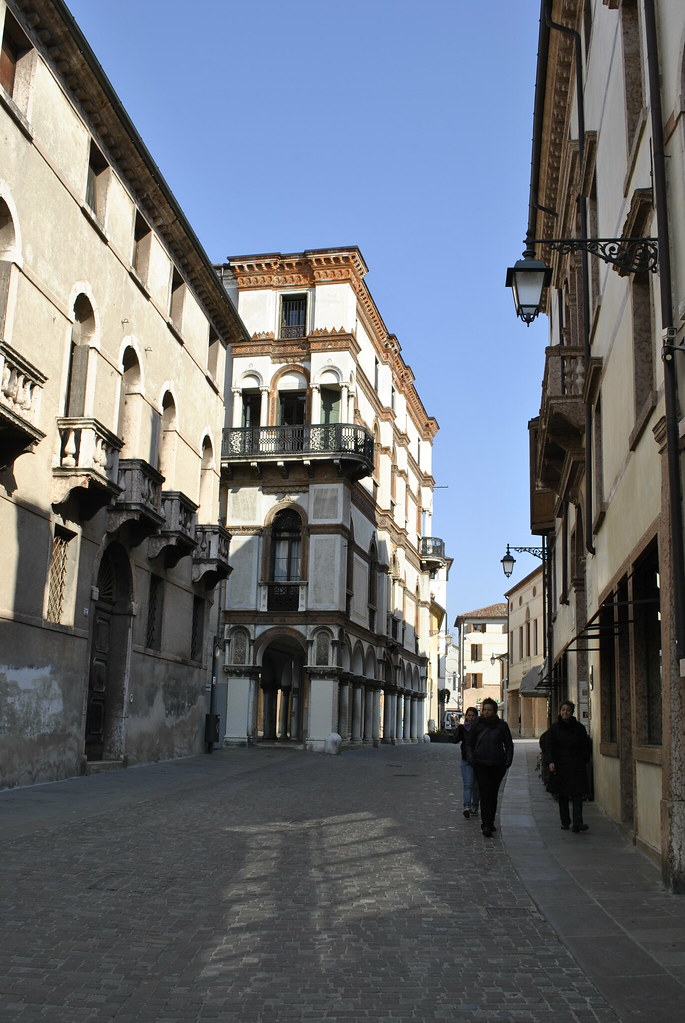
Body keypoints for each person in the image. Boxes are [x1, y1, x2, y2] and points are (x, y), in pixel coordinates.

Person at [540, 700, 592, 833]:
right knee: (562, 795)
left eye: (568, 710)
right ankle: (565, 821)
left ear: (572, 712)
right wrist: (550, 762)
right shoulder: (554, 729)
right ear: (560, 712)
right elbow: (548, 747)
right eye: (563, 710)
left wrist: (584, 759)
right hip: (560, 766)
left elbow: (586, 745)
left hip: (576, 766)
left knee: (577, 795)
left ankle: (578, 822)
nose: (565, 712)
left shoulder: (579, 728)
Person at [467, 698, 514, 838]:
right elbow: (469, 743)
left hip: (497, 764)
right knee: (484, 794)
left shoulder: (502, 726)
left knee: (493, 794)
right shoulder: (477, 725)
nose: (486, 712)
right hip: (481, 764)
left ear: (494, 711)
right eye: (484, 710)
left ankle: (490, 821)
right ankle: (486, 824)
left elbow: (509, 744)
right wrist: (471, 759)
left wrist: (507, 761)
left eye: (489, 710)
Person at [454, 707, 480, 819]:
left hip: (479, 760)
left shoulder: (480, 728)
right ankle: (466, 807)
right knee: (467, 784)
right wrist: (457, 729)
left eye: (473, 715)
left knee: (476, 786)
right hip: (466, 760)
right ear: (465, 717)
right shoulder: (463, 728)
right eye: (468, 715)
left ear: (476, 717)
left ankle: (475, 806)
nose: (470, 718)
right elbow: (454, 740)